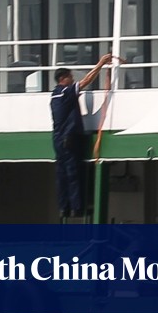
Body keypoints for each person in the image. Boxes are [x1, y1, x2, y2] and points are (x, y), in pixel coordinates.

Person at [50, 54, 113, 219]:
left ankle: (64, 208)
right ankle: (77, 208)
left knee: (62, 174)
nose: (72, 79)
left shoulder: (55, 95)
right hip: (69, 139)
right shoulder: (65, 92)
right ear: (63, 78)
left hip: (58, 139)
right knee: (73, 173)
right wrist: (100, 63)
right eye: (70, 77)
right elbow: (86, 82)